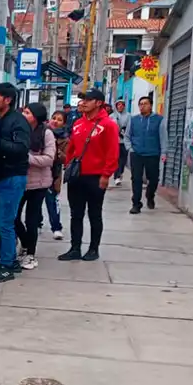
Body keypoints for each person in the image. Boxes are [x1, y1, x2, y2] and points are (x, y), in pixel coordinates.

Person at [58, 89, 120, 262]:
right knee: (75, 214)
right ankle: (75, 248)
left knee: (94, 213)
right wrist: (68, 165)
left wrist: (106, 175)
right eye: (82, 99)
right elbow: (72, 148)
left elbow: (112, 152)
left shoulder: (108, 125)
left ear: (98, 103)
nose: (83, 103)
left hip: (96, 176)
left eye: (88, 100)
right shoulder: (77, 123)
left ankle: (94, 248)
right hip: (77, 175)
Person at [0, 83, 29, 283]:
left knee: (5, 223)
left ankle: (7, 266)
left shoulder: (17, 121)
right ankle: (7, 258)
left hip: (12, 178)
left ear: (7, 100)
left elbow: (21, 149)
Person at [16, 103, 56, 270]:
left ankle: (30, 254)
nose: (24, 115)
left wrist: (27, 158)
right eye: (23, 112)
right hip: (18, 181)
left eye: (28, 113)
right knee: (12, 217)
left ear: (36, 117)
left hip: (38, 184)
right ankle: (25, 243)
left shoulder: (46, 133)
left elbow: (49, 159)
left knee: (32, 220)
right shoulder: (18, 130)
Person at [126, 96, 169, 214]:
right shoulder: (133, 120)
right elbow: (127, 136)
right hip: (137, 153)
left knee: (154, 179)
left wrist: (164, 152)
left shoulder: (159, 120)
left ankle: (150, 196)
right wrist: (130, 148)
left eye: (145, 104)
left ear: (150, 105)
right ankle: (136, 204)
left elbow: (163, 137)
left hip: (153, 154)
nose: (142, 106)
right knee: (136, 179)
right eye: (140, 104)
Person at [45, 110, 69, 241]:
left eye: (59, 119)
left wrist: (55, 149)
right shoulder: (41, 132)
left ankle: (56, 227)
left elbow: (66, 158)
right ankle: (37, 222)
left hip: (54, 174)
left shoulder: (65, 139)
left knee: (52, 201)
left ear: (64, 123)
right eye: (53, 118)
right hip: (38, 173)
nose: (55, 121)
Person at [111, 99, 132, 186]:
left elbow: (130, 127)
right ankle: (116, 177)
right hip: (115, 141)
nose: (120, 106)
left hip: (124, 141)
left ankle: (120, 172)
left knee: (123, 160)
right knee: (117, 159)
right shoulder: (112, 116)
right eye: (118, 105)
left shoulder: (129, 116)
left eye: (122, 105)